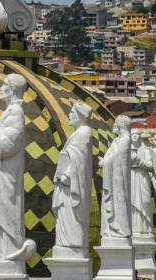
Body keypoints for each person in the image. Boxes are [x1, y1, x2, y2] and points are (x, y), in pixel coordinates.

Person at [0, 73, 37, 274]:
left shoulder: (15, 113)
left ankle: (4, 250)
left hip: (4, 176)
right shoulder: (9, 112)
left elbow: (9, 144)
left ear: (12, 89)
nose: (0, 88)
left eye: (4, 84)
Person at [52, 101, 93, 257]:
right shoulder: (81, 133)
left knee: (71, 218)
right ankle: (68, 243)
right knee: (66, 218)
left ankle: (71, 244)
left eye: (72, 113)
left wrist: (66, 176)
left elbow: (79, 161)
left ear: (80, 116)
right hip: (68, 185)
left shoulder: (83, 133)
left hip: (71, 185)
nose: (69, 115)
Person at [100, 116, 133, 238]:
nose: (113, 126)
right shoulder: (118, 140)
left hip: (118, 180)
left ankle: (121, 229)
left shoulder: (125, 140)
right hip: (113, 178)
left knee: (119, 202)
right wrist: (106, 160)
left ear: (120, 125)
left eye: (115, 124)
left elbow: (116, 158)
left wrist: (105, 161)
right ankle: (113, 228)